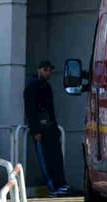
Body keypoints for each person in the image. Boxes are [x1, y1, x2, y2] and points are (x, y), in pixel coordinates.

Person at [24, 60, 70, 197]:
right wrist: (36, 130)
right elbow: (30, 110)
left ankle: (61, 184)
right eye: (45, 70)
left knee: (56, 157)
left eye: (49, 70)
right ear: (39, 70)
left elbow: (51, 109)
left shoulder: (47, 87)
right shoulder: (31, 87)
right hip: (40, 128)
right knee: (45, 158)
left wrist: (55, 126)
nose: (48, 72)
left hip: (50, 127)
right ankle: (53, 186)